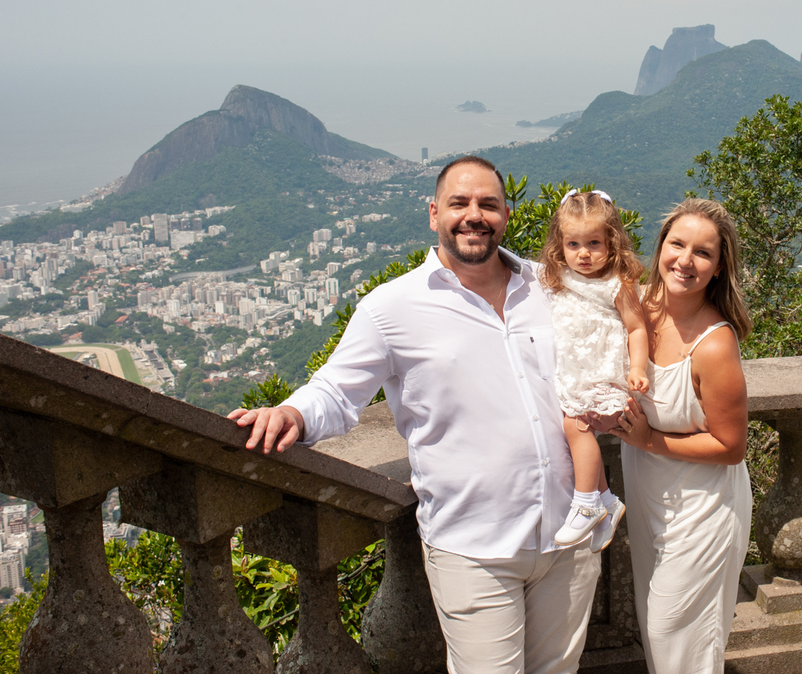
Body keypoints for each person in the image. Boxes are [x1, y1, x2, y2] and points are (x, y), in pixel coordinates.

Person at [229, 156, 601, 674]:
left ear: (507, 215)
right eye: (460, 203)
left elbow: (613, 337)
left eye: (488, 204)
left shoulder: (550, 288)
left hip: (568, 536)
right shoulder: (392, 307)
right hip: (474, 547)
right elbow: (336, 391)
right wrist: (292, 413)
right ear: (434, 214)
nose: (475, 215)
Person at [610, 198, 753, 674]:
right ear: (661, 247)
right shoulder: (637, 309)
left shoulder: (714, 345)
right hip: (652, 501)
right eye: (677, 244)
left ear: (718, 268)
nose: (685, 261)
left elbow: (732, 447)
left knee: (675, 635)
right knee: (660, 633)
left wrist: (649, 440)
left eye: (703, 253)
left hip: (704, 509)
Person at [538, 188, 649, 551]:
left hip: (604, 374)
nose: (583, 253)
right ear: (560, 246)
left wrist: (637, 368)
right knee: (571, 428)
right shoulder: (558, 279)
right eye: (573, 244)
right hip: (574, 375)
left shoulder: (618, 284)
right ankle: (606, 502)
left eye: (594, 243)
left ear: (612, 244)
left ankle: (586, 502)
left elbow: (636, 327)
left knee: (576, 425)